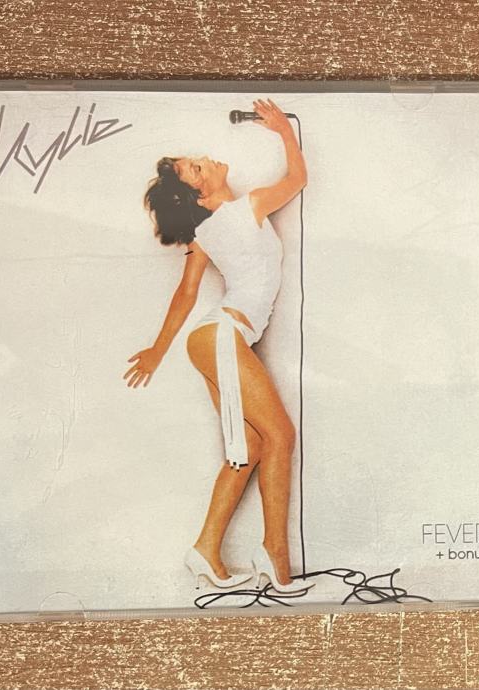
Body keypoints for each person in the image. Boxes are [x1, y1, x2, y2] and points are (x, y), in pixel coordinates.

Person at [125, 99, 314, 594]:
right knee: (281, 436)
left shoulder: (208, 233)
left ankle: (206, 550)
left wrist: (160, 350)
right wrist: (283, 131)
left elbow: (187, 295)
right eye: (195, 167)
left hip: (215, 338)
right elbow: (298, 178)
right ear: (199, 190)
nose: (204, 159)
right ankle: (275, 556)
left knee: (248, 447)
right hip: (223, 335)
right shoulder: (244, 209)